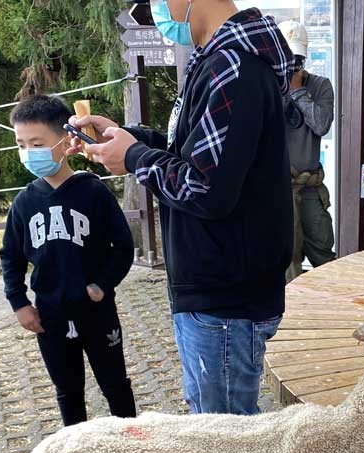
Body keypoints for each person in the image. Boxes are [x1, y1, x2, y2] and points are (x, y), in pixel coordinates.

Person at [69, 0, 293, 416]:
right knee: (218, 433)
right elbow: (199, 158)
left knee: (224, 447)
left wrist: (134, 156)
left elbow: (204, 187)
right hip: (218, 288)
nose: (152, 10)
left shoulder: (233, 66)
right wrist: (125, 138)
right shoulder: (222, 59)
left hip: (225, 296)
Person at [0, 94, 137, 427]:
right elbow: (11, 257)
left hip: (97, 313)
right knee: (67, 391)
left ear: (65, 142)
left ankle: (136, 444)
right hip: (50, 317)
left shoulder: (94, 193)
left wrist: (101, 286)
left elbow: (123, 246)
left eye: (37, 143)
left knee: (116, 385)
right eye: (21, 144)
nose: (29, 152)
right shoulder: (24, 204)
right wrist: (20, 303)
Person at [279, 19, 335, 281]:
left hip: (310, 186)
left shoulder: (320, 85)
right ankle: (291, 315)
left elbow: (321, 125)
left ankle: (330, 309)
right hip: (279, 189)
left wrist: (298, 90)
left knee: (323, 252)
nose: (293, 64)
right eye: (288, 57)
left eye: (297, 58)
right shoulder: (268, 85)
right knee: (285, 258)